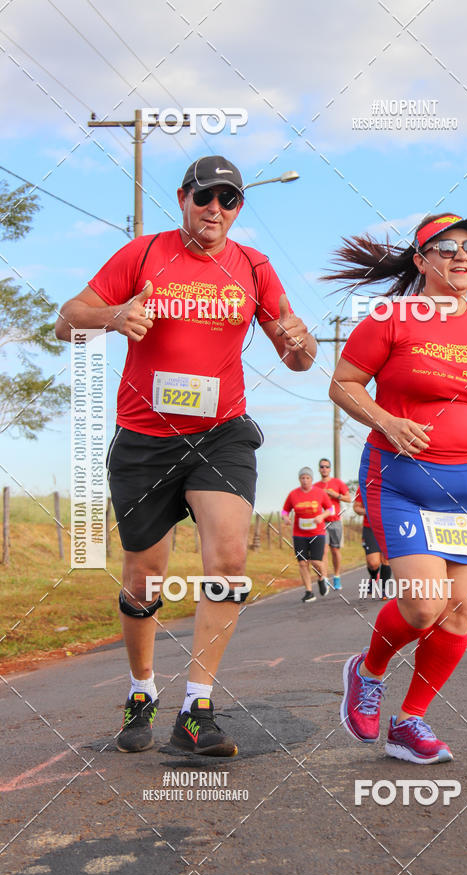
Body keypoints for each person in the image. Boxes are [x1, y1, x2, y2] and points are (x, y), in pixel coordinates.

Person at [55, 155, 316, 756]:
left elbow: (295, 358)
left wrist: (298, 343)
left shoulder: (254, 267)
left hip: (220, 434)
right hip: (145, 438)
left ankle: (196, 706)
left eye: (229, 201)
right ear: (183, 198)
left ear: (238, 210)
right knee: (146, 573)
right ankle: (141, 688)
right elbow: (68, 320)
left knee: (227, 558)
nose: (216, 211)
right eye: (206, 199)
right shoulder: (142, 255)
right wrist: (113, 316)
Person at [326, 212, 467, 764]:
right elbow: (343, 384)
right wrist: (385, 420)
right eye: (446, 248)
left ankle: (410, 722)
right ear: (422, 261)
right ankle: (369, 669)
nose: (461, 256)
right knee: (425, 608)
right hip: (402, 481)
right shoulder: (390, 318)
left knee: (458, 614)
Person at [282, 467, 333, 602]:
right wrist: (286, 518)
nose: (305, 480)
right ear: (299, 479)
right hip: (299, 534)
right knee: (303, 563)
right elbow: (284, 511)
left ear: (311, 479)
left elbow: (330, 509)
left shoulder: (320, 493)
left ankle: (323, 578)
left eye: (307, 478)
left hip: (317, 532)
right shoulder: (293, 494)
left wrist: (321, 516)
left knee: (316, 561)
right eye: (302, 478)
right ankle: (309, 592)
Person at [317, 458, 351, 589]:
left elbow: (349, 498)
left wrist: (335, 495)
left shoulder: (338, 483)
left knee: (335, 550)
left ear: (330, 469)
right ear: (319, 469)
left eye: (326, 466)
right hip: (322, 523)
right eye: (322, 467)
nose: (324, 469)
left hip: (335, 521)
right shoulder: (316, 486)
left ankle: (336, 576)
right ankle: (325, 579)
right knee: (323, 551)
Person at [353, 487, 391, 597]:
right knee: (373, 563)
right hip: (370, 528)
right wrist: (368, 511)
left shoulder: (389, 482)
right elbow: (356, 507)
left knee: (386, 559)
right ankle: (374, 577)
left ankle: (384, 589)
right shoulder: (363, 486)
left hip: (388, 527)